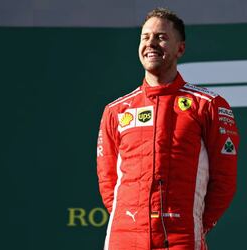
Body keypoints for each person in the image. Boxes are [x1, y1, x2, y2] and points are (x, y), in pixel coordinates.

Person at [96, 8, 239, 250]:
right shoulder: (116, 110)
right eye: (145, 37)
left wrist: (191, 224)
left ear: (180, 49)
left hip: (181, 239)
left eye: (161, 37)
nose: (151, 43)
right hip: (124, 239)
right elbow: (109, 182)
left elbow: (224, 181)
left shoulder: (209, 105)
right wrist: (134, 222)